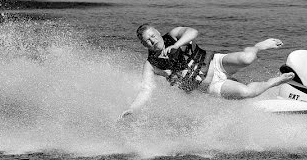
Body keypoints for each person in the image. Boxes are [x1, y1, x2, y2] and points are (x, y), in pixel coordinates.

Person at [120, 24, 295, 118]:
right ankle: (273, 82)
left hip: (216, 63)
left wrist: (177, 45)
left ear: (158, 32)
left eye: (153, 36)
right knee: (246, 92)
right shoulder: (151, 64)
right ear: (144, 45)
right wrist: (132, 109)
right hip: (211, 85)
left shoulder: (172, 35)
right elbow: (146, 89)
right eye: (147, 41)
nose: (152, 41)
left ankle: (257, 47)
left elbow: (193, 32)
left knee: (247, 58)